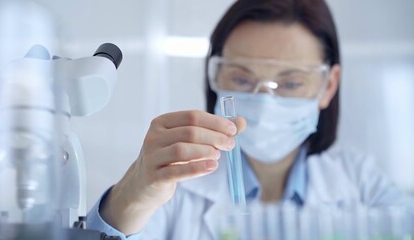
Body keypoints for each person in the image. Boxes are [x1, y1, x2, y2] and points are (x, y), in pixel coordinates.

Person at [87, 0, 414, 239]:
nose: (265, 102)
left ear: (328, 85)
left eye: (290, 83)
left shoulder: (361, 183)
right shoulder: (178, 185)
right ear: (215, 77)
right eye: (242, 79)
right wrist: (134, 196)